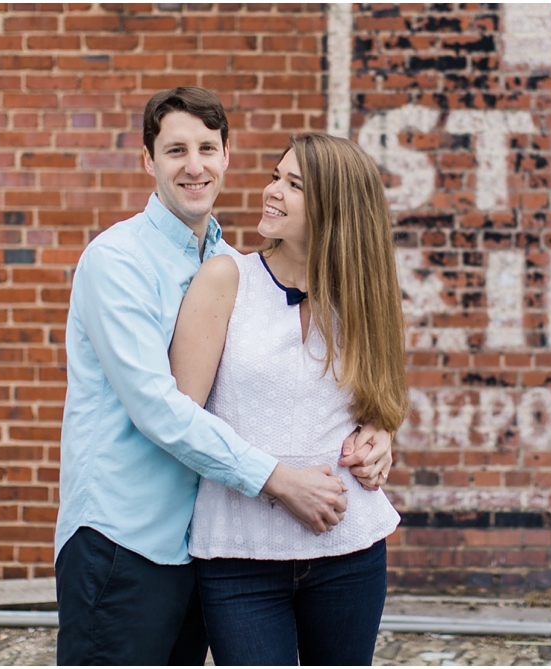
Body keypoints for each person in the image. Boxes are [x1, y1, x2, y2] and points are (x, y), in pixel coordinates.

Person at [54, 88, 394, 665]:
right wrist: (279, 480)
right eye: (175, 150)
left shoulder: (227, 261)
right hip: (122, 538)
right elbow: (160, 407)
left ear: (226, 155)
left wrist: (378, 430)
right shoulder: (117, 261)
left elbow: (297, 388)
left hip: (194, 545)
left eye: (207, 148)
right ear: (148, 160)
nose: (194, 166)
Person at [169, 133, 408, 665]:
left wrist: (382, 436)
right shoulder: (226, 279)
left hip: (350, 550)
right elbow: (181, 421)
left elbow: (379, 399)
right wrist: (279, 482)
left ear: (334, 207)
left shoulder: (365, 294)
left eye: (294, 184)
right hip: (239, 554)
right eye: (276, 176)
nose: (271, 191)